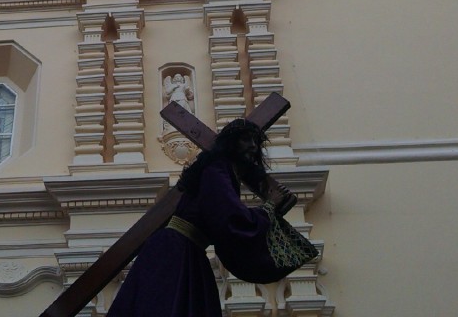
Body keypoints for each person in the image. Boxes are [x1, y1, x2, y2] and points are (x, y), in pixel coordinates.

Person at [106, 118, 316, 317]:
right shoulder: (217, 167)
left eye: (255, 141)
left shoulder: (224, 171)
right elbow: (230, 218)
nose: (252, 145)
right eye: (245, 139)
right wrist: (269, 207)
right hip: (175, 252)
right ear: (230, 144)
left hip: (189, 251)